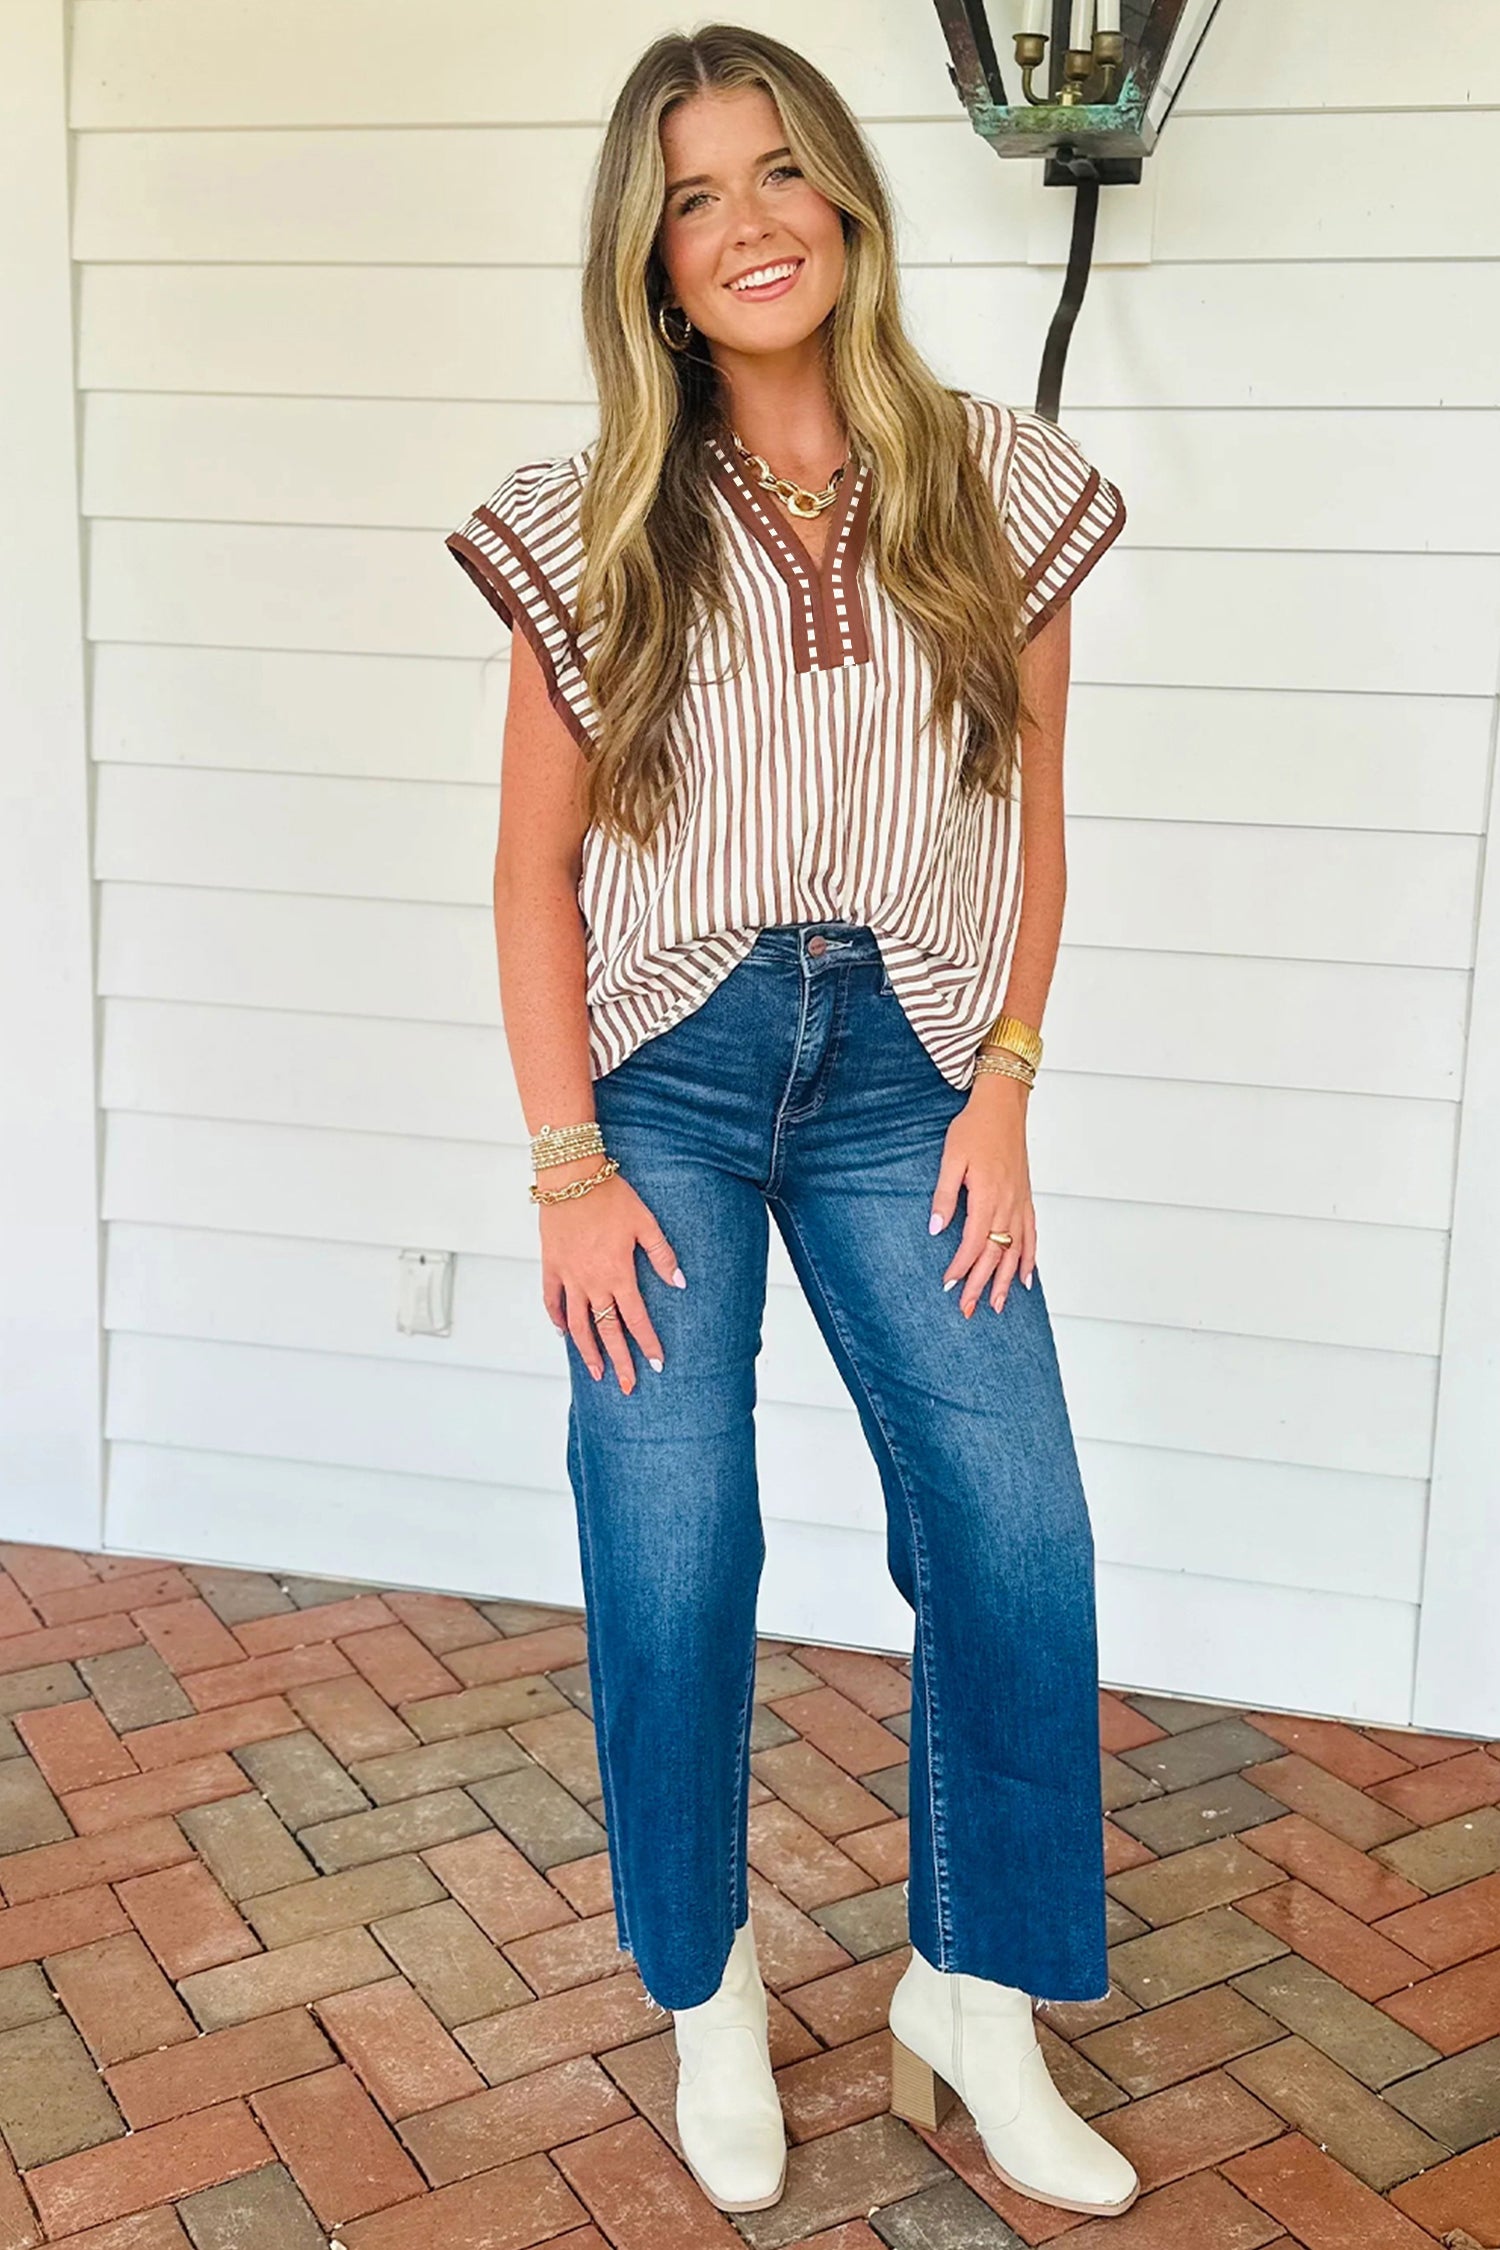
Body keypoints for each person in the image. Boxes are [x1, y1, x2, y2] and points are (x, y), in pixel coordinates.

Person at [446, 21, 1138, 2225]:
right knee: (674, 1532)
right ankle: (707, 1985)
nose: (745, 223)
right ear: (647, 257)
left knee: (1016, 1527)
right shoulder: (592, 524)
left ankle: (975, 1992)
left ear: (842, 195)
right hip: (662, 1074)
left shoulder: (997, 484)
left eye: (775, 173)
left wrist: (1007, 1080)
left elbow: (1033, 820)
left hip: (911, 1070)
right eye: (691, 196)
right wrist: (565, 1163)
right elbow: (530, 876)